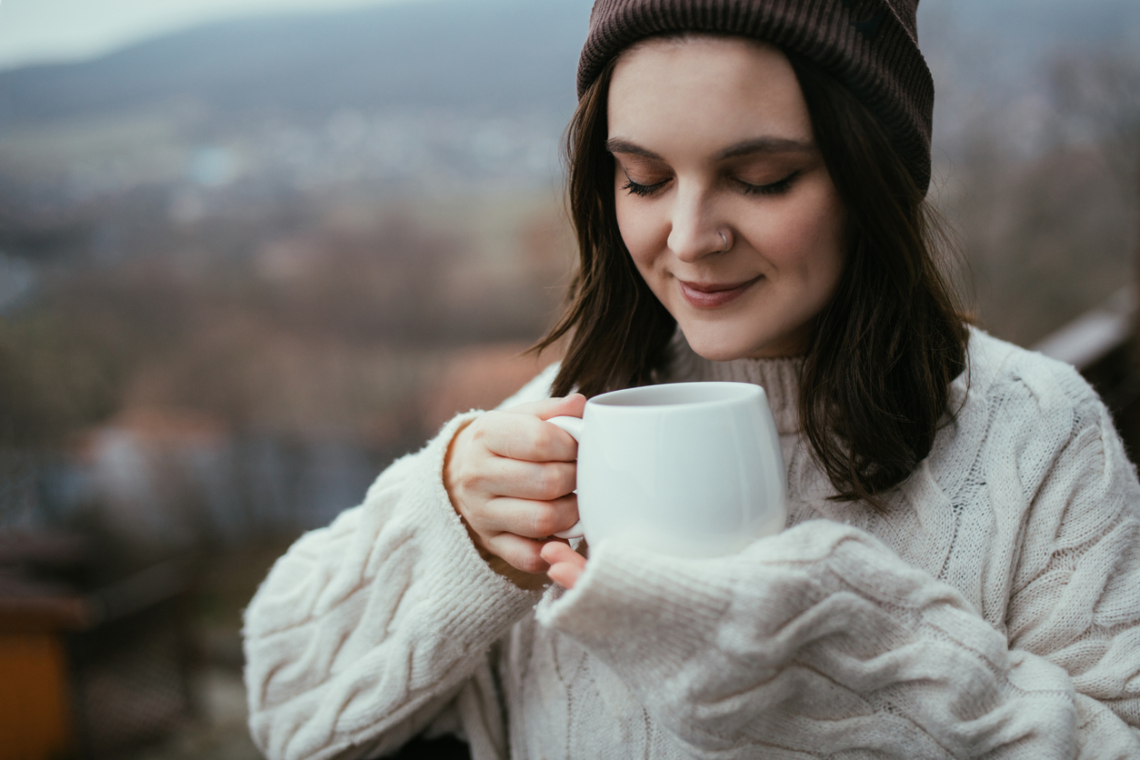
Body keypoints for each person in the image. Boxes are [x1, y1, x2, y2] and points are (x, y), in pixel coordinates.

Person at [242, 1, 1140, 757]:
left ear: (875, 177)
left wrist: (836, 639)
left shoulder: (1035, 436)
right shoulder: (566, 419)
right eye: (644, 178)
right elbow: (284, 706)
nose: (688, 237)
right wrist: (448, 529)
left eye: (761, 179)